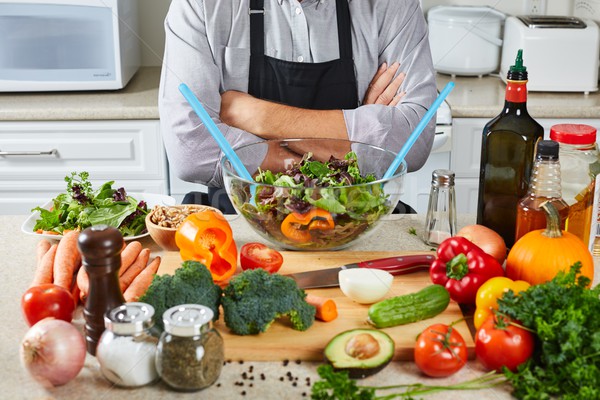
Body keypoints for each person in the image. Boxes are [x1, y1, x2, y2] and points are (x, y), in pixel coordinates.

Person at [158, 0, 438, 213]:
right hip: (241, 223)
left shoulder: (391, 5)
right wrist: (358, 142)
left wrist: (256, 116)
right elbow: (190, 149)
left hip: (358, 220)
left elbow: (414, 142)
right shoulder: (201, 5)